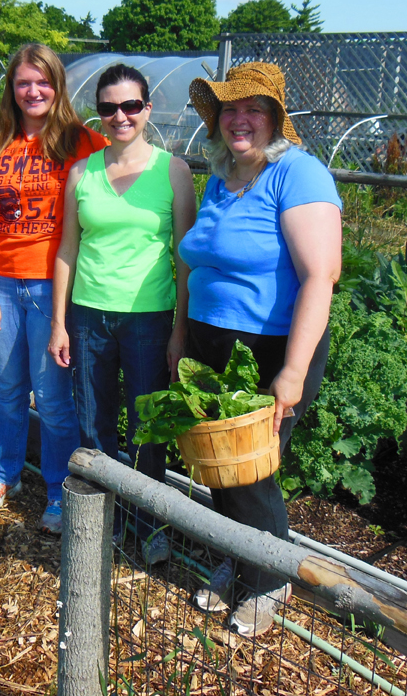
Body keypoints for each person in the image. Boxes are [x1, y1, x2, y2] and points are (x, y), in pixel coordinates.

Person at [179, 62, 342, 637]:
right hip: (210, 341)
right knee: (219, 463)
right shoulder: (222, 177)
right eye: (229, 109)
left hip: (268, 349)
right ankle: (239, 556)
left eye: (252, 109)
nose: (238, 119)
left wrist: (294, 371)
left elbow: (321, 276)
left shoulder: (299, 175)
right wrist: (182, 337)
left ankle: (270, 578)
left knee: (251, 469)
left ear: (275, 120)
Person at [47, 63, 196, 564]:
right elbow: (67, 249)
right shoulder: (81, 172)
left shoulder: (172, 171)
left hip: (149, 319)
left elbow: (184, 258)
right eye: (108, 108)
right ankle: (103, 519)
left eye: (130, 106)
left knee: (147, 427)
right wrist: (59, 322)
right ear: (99, 115)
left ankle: (149, 522)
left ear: (147, 109)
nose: (120, 116)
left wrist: (180, 331)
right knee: (93, 423)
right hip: (89, 315)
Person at [0, 43, 108, 535]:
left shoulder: (82, 141)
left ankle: (56, 487)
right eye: (24, 82)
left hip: (56, 287)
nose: (33, 91)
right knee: (6, 387)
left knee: (51, 395)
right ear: (12, 87)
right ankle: (3, 474)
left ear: (58, 86)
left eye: (43, 81)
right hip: (3, 283)